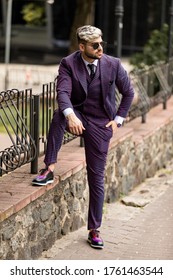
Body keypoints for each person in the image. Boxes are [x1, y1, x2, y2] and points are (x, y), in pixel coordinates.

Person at [32, 25, 134, 249]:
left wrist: (118, 120)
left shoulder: (113, 64)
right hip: (78, 114)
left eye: (101, 43)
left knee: (96, 177)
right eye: (94, 45)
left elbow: (128, 93)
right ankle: (49, 168)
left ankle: (94, 230)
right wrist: (71, 115)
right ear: (82, 47)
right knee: (60, 115)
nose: (100, 48)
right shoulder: (69, 63)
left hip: (100, 122)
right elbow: (63, 92)